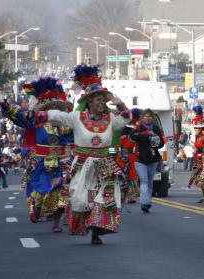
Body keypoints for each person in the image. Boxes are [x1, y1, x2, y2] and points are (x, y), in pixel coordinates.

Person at [27, 64, 130, 245]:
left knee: (106, 198)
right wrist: (37, 114)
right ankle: (87, 224)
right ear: (89, 102)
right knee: (80, 200)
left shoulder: (110, 119)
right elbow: (57, 115)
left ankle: (97, 231)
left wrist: (120, 104)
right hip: (82, 165)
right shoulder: (77, 118)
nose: (100, 103)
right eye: (97, 100)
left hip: (105, 165)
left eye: (102, 100)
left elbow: (126, 119)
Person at [0, 77, 73, 231]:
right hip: (41, 162)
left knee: (62, 194)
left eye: (56, 108)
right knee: (41, 192)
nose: (53, 111)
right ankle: (37, 205)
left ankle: (56, 224)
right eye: (50, 108)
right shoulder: (36, 121)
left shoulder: (65, 125)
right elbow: (20, 115)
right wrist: (7, 107)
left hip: (61, 162)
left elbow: (77, 135)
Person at [130, 109, 165, 213]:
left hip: (153, 159)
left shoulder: (156, 128)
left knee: (150, 182)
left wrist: (156, 140)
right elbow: (132, 136)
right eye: (146, 116)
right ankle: (145, 203)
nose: (148, 118)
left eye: (150, 116)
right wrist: (145, 134)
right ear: (142, 118)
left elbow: (161, 143)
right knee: (144, 180)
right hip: (140, 159)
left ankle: (147, 202)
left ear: (152, 118)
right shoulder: (138, 128)